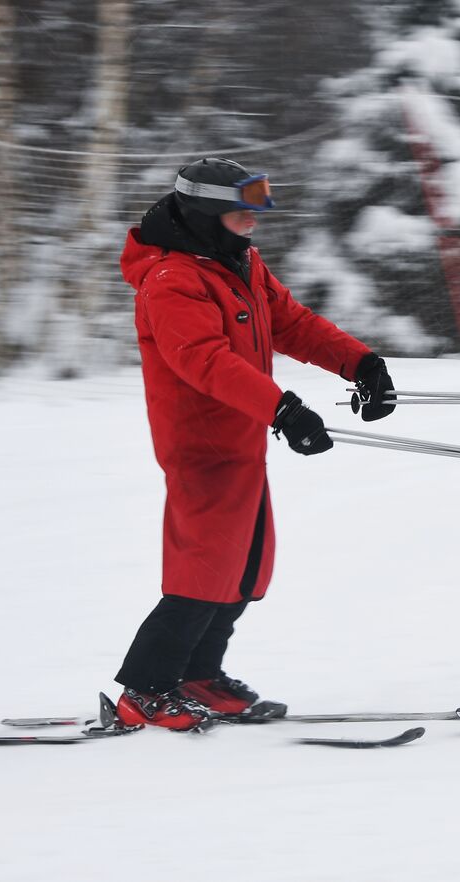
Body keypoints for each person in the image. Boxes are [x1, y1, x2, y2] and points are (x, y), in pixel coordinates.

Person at [114, 157, 397, 731]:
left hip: (241, 440)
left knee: (244, 570)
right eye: (242, 214)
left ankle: (197, 675)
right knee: (204, 569)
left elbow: (289, 322)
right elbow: (204, 362)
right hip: (201, 445)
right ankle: (144, 691)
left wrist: (360, 363)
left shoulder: (236, 262)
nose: (253, 224)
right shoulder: (172, 281)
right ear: (205, 215)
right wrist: (282, 407)